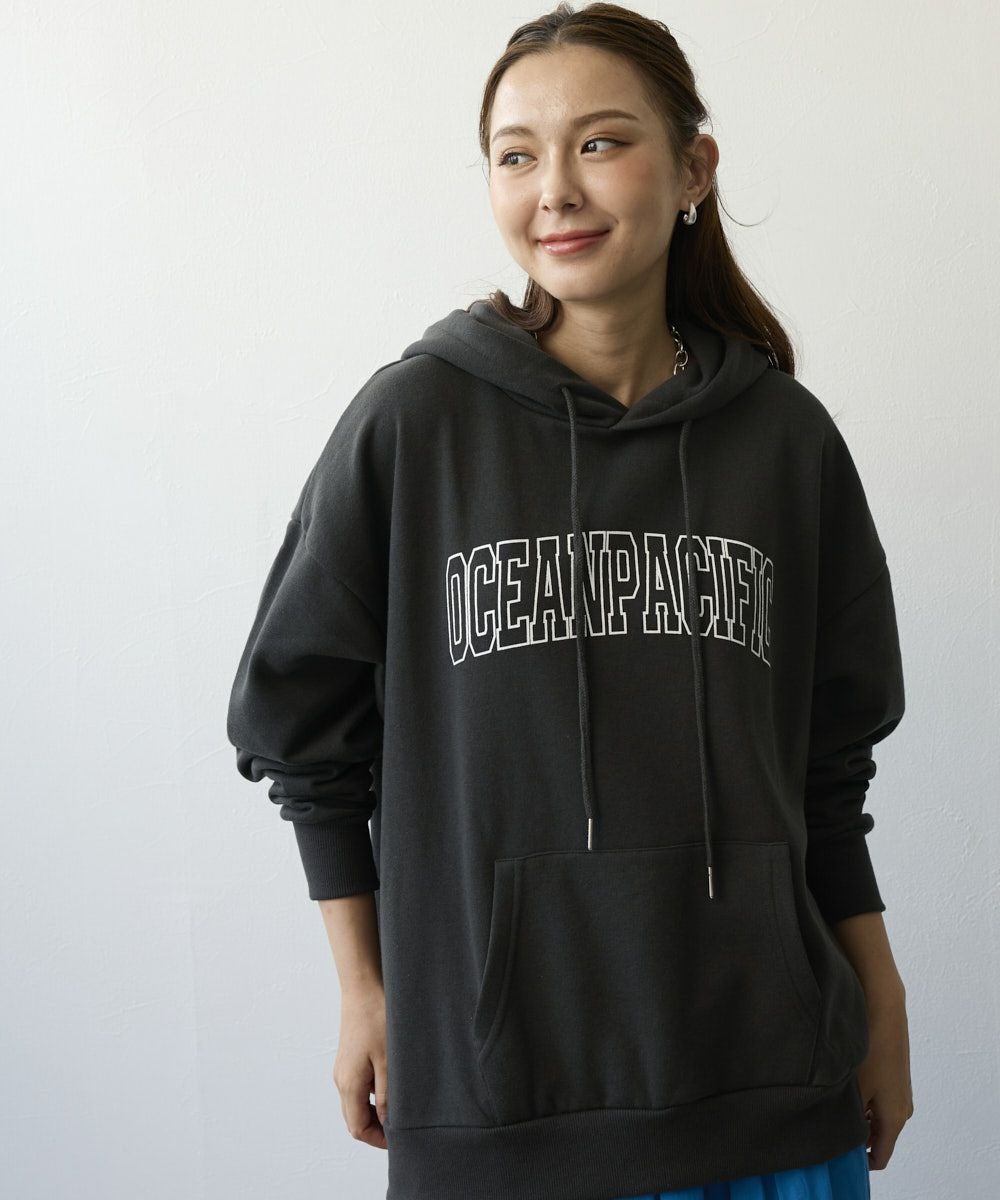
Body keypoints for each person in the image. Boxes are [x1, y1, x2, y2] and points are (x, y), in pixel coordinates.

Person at [225, 3, 914, 1198]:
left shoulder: (784, 443)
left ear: (693, 169)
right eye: (515, 154)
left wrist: (882, 994)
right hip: (499, 1105)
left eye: (600, 142)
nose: (554, 189)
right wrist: (364, 990)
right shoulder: (416, 424)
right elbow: (300, 728)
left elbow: (824, 766)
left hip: (771, 1094)